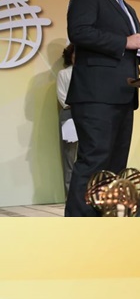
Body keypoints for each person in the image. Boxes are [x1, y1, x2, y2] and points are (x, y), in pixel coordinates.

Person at [64, 0, 140, 217]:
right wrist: (125, 41)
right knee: (94, 160)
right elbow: (79, 32)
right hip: (96, 95)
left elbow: (127, 48)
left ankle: (104, 221)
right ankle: (78, 227)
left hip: (124, 95)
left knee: (115, 165)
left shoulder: (129, 9)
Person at [56, 43, 78, 194]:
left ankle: (86, 195)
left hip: (87, 116)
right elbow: (62, 97)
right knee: (69, 156)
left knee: (87, 154)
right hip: (69, 114)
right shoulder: (63, 74)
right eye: (75, 54)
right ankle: (69, 195)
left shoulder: (89, 74)